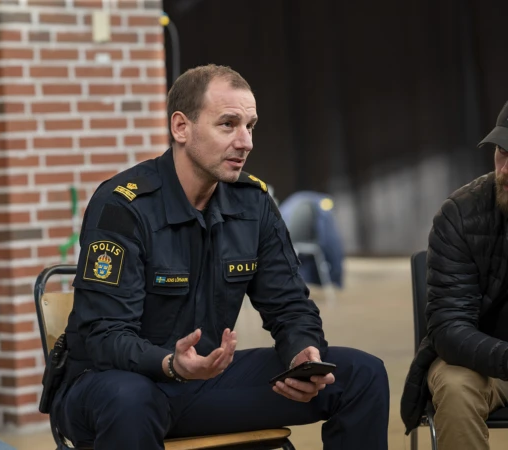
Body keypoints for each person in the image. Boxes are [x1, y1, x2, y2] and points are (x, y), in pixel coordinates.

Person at [48, 64, 389, 450]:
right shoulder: (124, 205)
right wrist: (170, 364)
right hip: (108, 385)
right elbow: (104, 336)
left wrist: (302, 351)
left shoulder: (253, 204)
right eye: (228, 124)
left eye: (250, 125)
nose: (246, 142)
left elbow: (290, 305)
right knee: (130, 400)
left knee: (363, 374)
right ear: (181, 128)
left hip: (202, 380)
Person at [401, 100, 508, 449]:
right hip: (479, 362)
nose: (505, 169)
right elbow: (449, 329)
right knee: (456, 387)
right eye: (502, 152)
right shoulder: (460, 215)